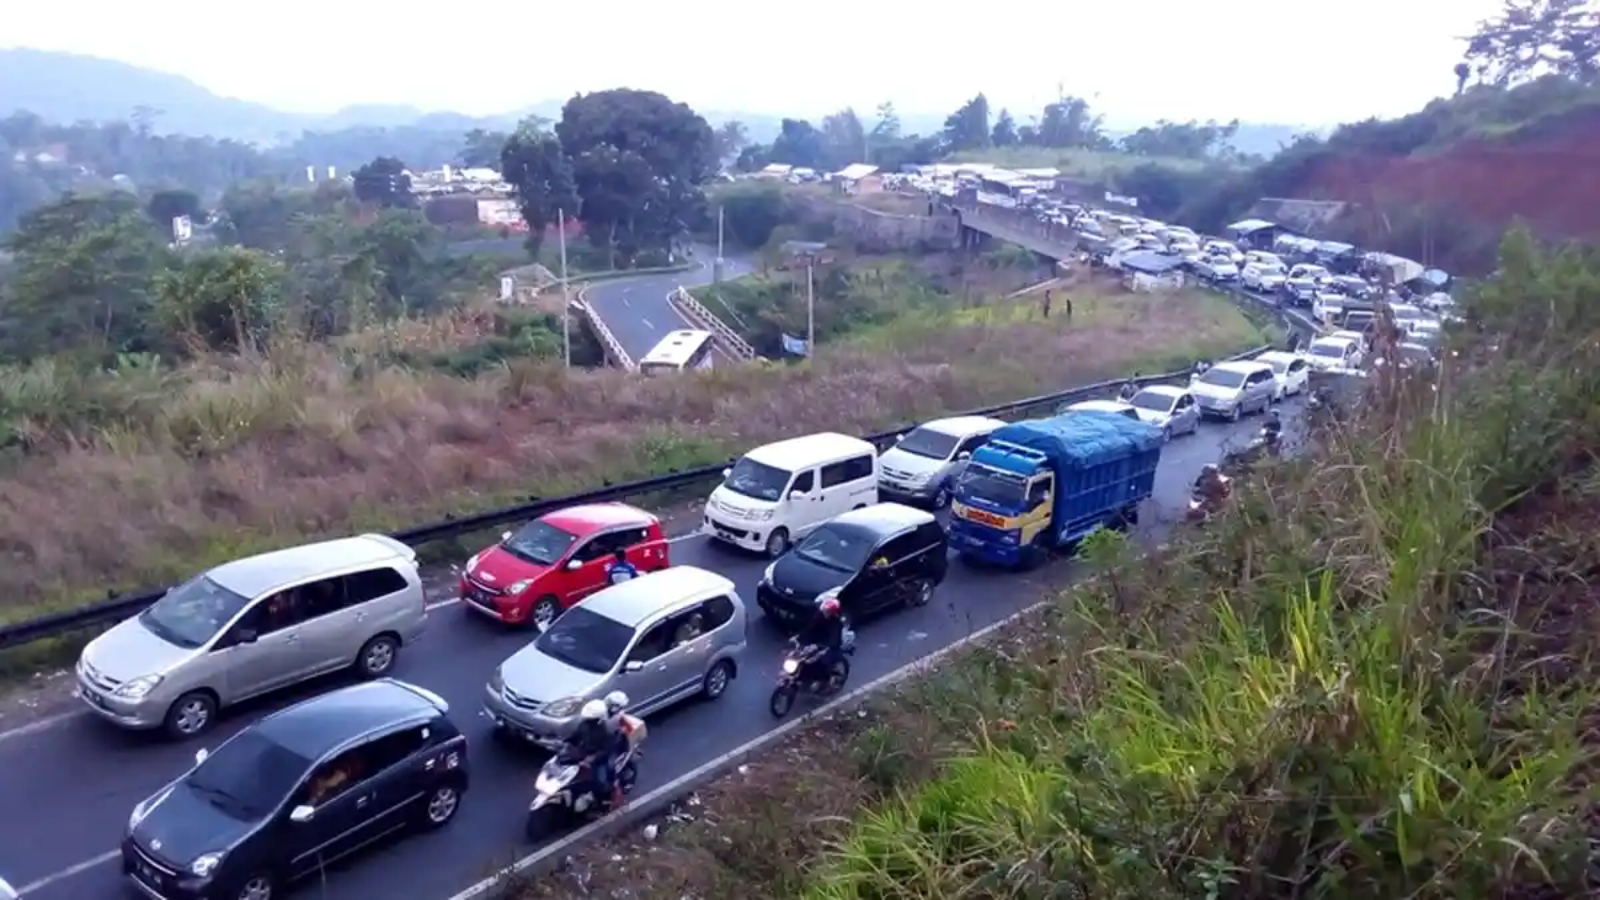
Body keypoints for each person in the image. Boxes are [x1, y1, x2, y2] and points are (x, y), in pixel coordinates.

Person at [566, 700, 624, 808]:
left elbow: (606, 750)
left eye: (590, 720)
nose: (587, 721)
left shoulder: (607, 730)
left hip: (602, 757)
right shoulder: (584, 724)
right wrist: (566, 743)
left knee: (601, 782)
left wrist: (591, 759)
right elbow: (576, 736)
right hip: (586, 752)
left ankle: (609, 798)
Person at [795, 595, 847, 687]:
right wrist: (798, 638)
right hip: (818, 641)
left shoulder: (836, 624)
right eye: (824, 610)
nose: (824, 612)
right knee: (801, 656)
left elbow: (833, 640)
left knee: (822, 662)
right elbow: (810, 628)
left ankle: (825, 680)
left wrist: (820, 646)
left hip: (830, 646)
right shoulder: (820, 615)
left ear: (832, 613)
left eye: (827, 611)